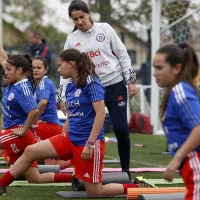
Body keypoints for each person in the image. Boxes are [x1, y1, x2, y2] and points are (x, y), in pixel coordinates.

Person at [0, 48, 155, 197]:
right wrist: (59, 140)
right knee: (30, 151)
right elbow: (71, 116)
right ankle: (1, 185)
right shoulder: (70, 86)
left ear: (71, 64)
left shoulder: (92, 82)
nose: (59, 70)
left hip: (87, 143)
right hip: (70, 138)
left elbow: (101, 113)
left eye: (60, 66)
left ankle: (137, 185)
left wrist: (90, 143)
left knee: (95, 192)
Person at [57, 0, 137, 178]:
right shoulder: (72, 39)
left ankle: (125, 170)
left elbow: (122, 54)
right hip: (90, 89)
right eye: (75, 19)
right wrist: (62, 97)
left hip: (114, 84)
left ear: (89, 13)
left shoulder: (105, 29)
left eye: (82, 17)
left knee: (121, 129)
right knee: (82, 130)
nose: (79, 22)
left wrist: (130, 80)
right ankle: (80, 171)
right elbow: (65, 67)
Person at [0, 45, 73, 196]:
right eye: (5, 69)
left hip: (19, 135)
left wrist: (24, 130)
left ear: (19, 71)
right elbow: (3, 59)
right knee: (35, 178)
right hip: (17, 134)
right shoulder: (14, 81)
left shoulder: (23, 87)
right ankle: (76, 178)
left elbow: (34, 110)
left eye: (8, 69)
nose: (4, 72)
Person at [153, 41, 200, 200]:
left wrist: (176, 159)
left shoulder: (180, 91)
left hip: (195, 161)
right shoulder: (174, 91)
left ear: (177, 68)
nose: (154, 73)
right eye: (154, 67)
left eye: (159, 68)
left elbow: (199, 127)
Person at [32, 56, 70, 167]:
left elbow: (43, 102)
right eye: (33, 68)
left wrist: (33, 121)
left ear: (46, 70)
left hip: (49, 127)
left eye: (39, 67)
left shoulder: (44, 83)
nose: (35, 70)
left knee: (20, 132)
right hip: (50, 126)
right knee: (52, 164)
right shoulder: (38, 84)